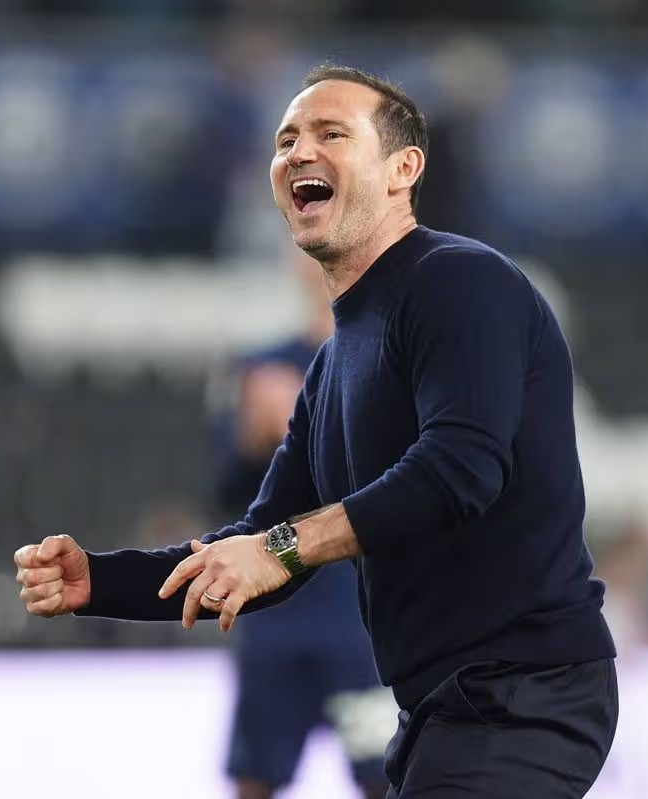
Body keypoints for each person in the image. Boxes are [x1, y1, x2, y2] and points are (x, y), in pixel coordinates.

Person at [15, 64, 618, 798]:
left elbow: (458, 471)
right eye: (286, 140)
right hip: (442, 709)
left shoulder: (460, 282)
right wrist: (100, 579)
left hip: (525, 691)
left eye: (332, 133)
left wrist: (280, 548)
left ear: (403, 169)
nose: (300, 150)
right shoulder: (332, 367)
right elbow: (260, 540)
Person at [210, 251, 390, 799]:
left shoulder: (392, 359)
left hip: (366, 618)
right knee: (255, 777)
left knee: (386, 775)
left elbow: (409, 483)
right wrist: (251, 439)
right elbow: (229, 490)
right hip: (276, 613)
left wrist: (310, 420)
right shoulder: (261, 367)